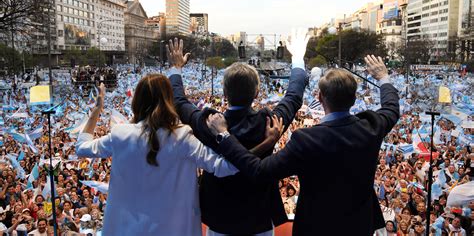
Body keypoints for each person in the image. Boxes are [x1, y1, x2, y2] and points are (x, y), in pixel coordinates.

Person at [207, 55, 400, 236]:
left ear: (320, 97)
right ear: (354, 98)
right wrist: (383, 77)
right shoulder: (372, 128)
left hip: (315, 227)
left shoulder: (305, 140)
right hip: (359, 226)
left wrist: (225, 136)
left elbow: (259, 170)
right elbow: (391, 108)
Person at [166, 29, 309, 236]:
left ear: (225, 94)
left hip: (219, 219)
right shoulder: (269, 124)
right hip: (259, 218)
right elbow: (294, 96)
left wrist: (176, 68)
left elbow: (179, 101)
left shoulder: (210, 123)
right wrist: (297, 58)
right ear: (257, 93)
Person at [75, 76, 239, 235]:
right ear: (169, 100)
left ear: (137, 100)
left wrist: (97, 109)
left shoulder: (120, 134)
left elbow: (81, 147)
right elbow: (226, 167)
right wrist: (224, 134)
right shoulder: (182, 138)